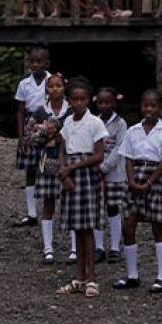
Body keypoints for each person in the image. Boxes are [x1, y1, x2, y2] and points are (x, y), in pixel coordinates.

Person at [113, 89, 162, 293]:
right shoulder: (133, 130)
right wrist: (132, 180)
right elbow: (128, 158)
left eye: (153, 106)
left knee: (157, 226)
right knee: (128, 225)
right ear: (141, 106)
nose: (148, 109)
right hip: (135, 178)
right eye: (145, 105)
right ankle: (132, 275)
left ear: (159, 108)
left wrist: (149, 182)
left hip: (155, 178)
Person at [55, 79, 108, 298]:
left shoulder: (95, 123)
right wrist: (63, 172)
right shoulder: (67, 123)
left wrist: (72, 168)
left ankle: (92, 278)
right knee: (76, 228)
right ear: (69, 101)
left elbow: (98, 156)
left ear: (89, 100)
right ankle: (79, 276)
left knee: (88, 228)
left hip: (87, 176)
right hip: (70, 175)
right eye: (74, 99)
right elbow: (62, 149)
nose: (78, 103)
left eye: (83, 99)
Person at [33, 74, 72, 263]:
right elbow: (30, 136)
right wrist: (46, 137)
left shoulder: (72, 111)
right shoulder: (40, 111)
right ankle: (48, 247)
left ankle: (74, 247)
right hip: (47, 160)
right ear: (46, 89)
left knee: (71, 201)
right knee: (48, 203)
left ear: (64, 88)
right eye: (51, 86)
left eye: (59, 85)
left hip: (69, 160)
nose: (55, 89)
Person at [14, 46, 51, 227]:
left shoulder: (52, 81)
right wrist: (21, 136)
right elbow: (20, 111)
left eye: (39, 61)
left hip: (48, 124)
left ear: (46, 63)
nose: (35, 65)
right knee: (30, 169)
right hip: (29, 124)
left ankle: (47, 213)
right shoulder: (24, 84)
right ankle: (31, 212)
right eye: (32, 61)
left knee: (47, 167)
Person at [95, 87, 129, 263]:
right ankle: (99, 247)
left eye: (107, 102)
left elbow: (120, 147)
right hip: (96, 171)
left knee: (113, 208)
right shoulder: (94, 122)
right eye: (100, 102)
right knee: (97, 208)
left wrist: (105, 166)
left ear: (114, 103)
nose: (104, 106)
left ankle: (115, 246)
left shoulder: (121, 123)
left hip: (114, 172)